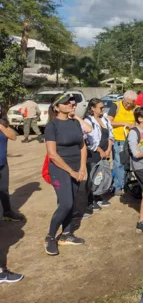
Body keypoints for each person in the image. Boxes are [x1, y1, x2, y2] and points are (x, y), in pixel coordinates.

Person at [44, 94, 87, 256]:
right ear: (56, 107)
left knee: (73, 201)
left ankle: (66, 234)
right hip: (59, 169)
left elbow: (83, 146)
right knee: (66, 204)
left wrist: (82, 168)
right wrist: (72, 171)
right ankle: (50, 236)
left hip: (77, 168)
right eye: (66, 102)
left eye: (71, 101)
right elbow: (52, 154)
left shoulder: (75, 122)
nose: (71, 104)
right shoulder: (52, 126)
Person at [0, 105, 25, 283]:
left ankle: (7, 212)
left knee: (4, 190)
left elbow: (13, 136)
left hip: (2, 164)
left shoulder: (3, 124)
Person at [83, 98, 114, 214]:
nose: (102, 110)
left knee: (101, 175)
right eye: (100, 108)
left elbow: (110, 134)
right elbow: (89, 140)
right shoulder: (88, 121)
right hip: (93, 153)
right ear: (92, 108)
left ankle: (98, 196)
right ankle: (90, 200)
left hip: (105, 152)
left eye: (103, 107)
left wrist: (109, 148)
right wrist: (100, 150)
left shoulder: (105, 120)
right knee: (92, 176)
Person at [107, 90, 137, 196]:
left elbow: (138, 121)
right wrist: (124, 123)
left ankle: (127, 182)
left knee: (128, 163)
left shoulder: (135, 108)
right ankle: (118, 186)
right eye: (127, 103)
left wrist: (134, 125)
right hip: (119, 139)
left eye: (131, 103)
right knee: (118, 162)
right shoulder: (116, 106)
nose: (128, 105)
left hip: (131, 139)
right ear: (123, 99)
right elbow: (109, 121)